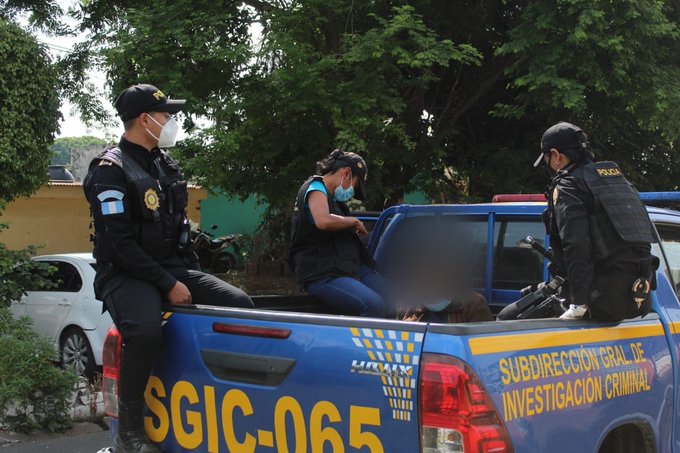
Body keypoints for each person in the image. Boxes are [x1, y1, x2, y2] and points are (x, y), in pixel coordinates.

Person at [83, 83, 253, 453]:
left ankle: (218, 406)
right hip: (125, 273)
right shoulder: (109, 171)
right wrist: (167, 283)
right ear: (145, 120)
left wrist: (189, 275)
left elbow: (178, 229)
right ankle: (130, 432)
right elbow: (118, 244)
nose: (171, 122)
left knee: (240, 304)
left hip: (172, 265)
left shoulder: (163, 164)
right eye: (166, 116)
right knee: (144, 333)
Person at [534, 121, 658, 321]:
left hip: (599, 301)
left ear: (556, 156)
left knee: (508, 317)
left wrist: (578, 302)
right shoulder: (619, 182)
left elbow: (576, 245)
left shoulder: (569, 186)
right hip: (638, 298)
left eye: (547, 159)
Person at [289, 149, 395, 318]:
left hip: (348, 269)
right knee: (373, 305)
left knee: (396, 298)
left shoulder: (335, 202)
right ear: (346, 173)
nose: (352, 192)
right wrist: (352, 222)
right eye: (354, 185)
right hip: (322, 274)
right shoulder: (315, 187)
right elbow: (322, 220)